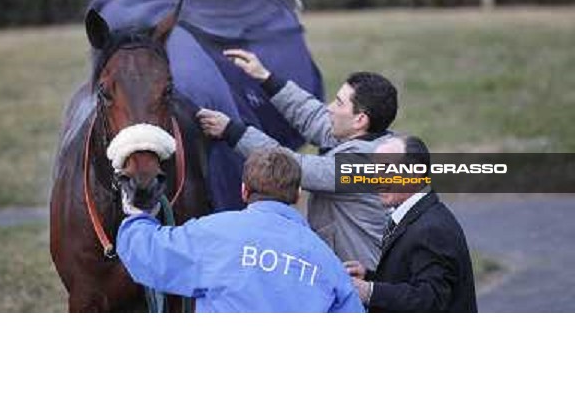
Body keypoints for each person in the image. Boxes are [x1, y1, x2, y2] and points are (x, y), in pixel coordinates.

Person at [196, 48, 398, 270]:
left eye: (339, 103)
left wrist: (231, 131)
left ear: (360, 120)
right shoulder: (372, 140)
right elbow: (313, 116)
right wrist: (266, 78)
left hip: (360, 284)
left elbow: (291, 166)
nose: (330, 108)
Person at [117, 149, 364, 313]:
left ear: (244, 191)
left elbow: (149, 255)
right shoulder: (327, 261)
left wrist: (137, 215)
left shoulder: (212, 233)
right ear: (297, 194)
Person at [344, 135, 478, 312]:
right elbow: (409, 279)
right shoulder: (414, 216)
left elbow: (431, 300)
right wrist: (369, 278)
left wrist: (370, 291)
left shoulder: (432, 229)